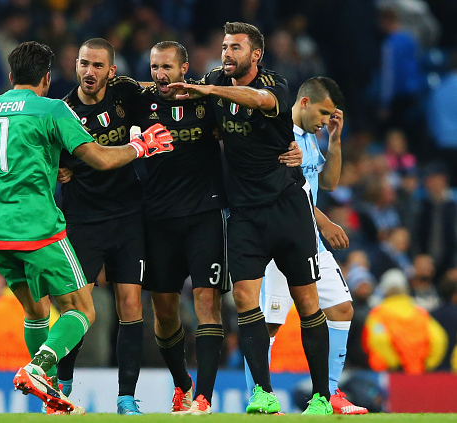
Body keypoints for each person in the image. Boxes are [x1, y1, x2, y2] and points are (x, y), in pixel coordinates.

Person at [0, 41, 174, 413]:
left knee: (36, 312)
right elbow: (101, 159)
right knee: (82, 310)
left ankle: (50, 396)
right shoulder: (52, 109)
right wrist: (141, 147)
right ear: (46, 78)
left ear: (11, 76)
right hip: (36, 227)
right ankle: (38, 368)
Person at [169, 22, 332, 415]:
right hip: (243, 212)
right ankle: (262, 392)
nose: (227, 53)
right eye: (224, 46)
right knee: (244, 299)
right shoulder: (213, 80)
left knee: (307, 300)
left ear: (255, 54)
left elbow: (258, 101)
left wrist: (210, 90)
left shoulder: (277, 84)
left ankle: (322, 397)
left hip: (286, 207)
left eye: (236, 47)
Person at [243, 77, 367, 414]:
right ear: (304, 103)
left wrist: (335, 140)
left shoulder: (312, 138)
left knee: (342, 308)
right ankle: (259, 396)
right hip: (279, 238)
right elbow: (286, 191)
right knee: (268, 322)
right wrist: (324, 221)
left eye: (331, 116)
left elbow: (326, 182)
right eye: (324, 113)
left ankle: (329, 393)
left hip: (310, 242)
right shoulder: (280, 136)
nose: (326, 120)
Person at [132, 41, 229, 415]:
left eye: (167, 67)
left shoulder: (206, 100)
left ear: (184, 67)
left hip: (205, 213)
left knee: (208, 303)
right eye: (154, 67)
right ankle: (181, 384)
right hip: (157, 218)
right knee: (166, 311)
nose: (160, 75)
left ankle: (203, 397)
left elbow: (243, 127)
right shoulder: (141, 100)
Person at [56, 38, 146, 415]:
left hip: (128, 218)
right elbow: (50, 161)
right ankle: (61, 389)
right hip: (83, 221)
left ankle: (126, 397)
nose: (89, 72)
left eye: (97, 65)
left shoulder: (128, 93)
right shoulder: (62, 111)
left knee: (131, 305)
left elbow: (158, 99)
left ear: (112, 70)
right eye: (83, 64)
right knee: (77, 308)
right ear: (75, 66)